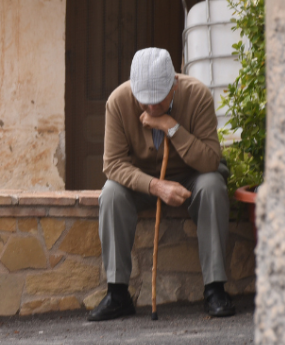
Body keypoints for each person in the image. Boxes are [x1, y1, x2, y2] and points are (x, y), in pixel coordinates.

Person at [87, 47, 236, 321]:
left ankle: (215, 288)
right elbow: (113, 165)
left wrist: (172, 127)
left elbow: (210, 161)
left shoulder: (198, 94)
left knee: (213, 186)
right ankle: (117, 292)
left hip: (192, 174)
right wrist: (156, 186)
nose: (152, 108)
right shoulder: (118, 101)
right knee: (111, 193)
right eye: (145, 101)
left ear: (174, 84)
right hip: (143, 179)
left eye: (159, 100)